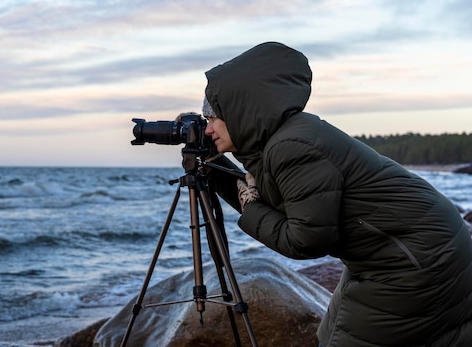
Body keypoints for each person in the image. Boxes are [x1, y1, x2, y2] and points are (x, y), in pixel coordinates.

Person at [202, 41, 472, 347]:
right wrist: (216, 170)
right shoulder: (282, 140)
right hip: (410, 249)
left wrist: (248, 207)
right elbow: (274, 202)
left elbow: (306, 240)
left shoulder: (290, 147)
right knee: (329, 336)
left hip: (414, 261)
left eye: (212, 117)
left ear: (240, 111)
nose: (208, 129)